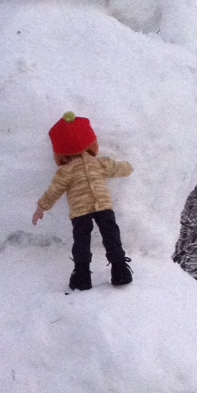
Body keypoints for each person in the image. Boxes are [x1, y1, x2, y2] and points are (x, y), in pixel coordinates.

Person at [33, 112, 133, 290]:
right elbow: (118, 167)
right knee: (111, 236)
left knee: (81, 241)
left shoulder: (66, 170)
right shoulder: (99, 163)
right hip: (103, 206)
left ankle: (82, 275)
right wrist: (128, 167)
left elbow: (54, 190)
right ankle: (119, 270)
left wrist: (42, 207)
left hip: (80, 211)